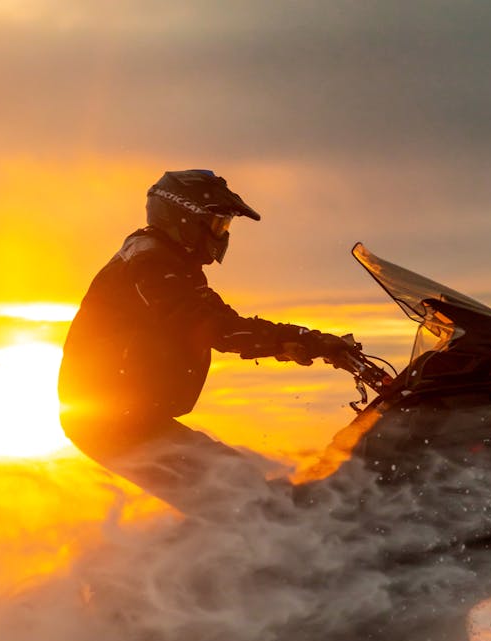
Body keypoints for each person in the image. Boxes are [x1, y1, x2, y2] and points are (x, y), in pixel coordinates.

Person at [58, 168, 353, 513]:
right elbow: (211, 326)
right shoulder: (151, 264)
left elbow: (220, 317)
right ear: (183, 218)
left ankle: (263, 551)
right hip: (111, 422)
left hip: (129, 418)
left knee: (239, 481)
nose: (222, 235)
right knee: (240, 499)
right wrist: (297, 339)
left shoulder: (170, 262)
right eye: (217, 225)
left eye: (224, 227)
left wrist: (295, 340)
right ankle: (263, 560)